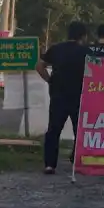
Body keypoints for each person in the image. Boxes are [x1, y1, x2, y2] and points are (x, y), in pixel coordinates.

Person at [36, 22, 90, 175]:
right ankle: (76, 161)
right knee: (79, 130)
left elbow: (39, 66)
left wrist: (50, 80)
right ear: (83, 36)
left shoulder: (56, 49)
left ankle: (49, 164)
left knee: (53, 130)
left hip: (58, 95)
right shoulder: (86, 52)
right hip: (79, 95)